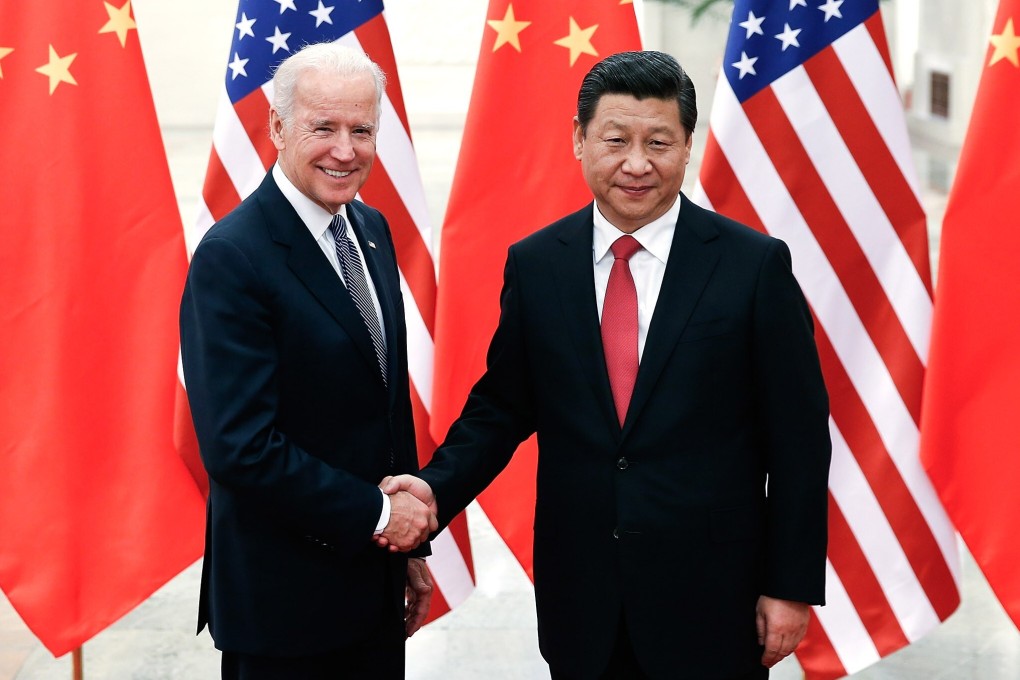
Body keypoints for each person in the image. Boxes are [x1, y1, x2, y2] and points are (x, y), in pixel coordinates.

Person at [382, 50, 831, 679]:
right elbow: (503, 407)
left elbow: (800, 441)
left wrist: (790, 585)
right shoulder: (538, 265)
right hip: (582, 597)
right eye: (616, 140)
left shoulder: (753, 267)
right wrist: (432, 489)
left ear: (686, 146)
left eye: (659, 142)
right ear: (579, 139)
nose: (637, 164)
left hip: (713, 600)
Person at [180, 43, 435, 680]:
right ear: (276, 128)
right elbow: (240, 446)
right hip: (283, 610)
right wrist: (380, 516)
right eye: (323, 127)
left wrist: (407, 545)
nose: (345, 151)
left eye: (362, 130)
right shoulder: (233, 256)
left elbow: (383, 401)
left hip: (371, 590)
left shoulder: (371, 229)